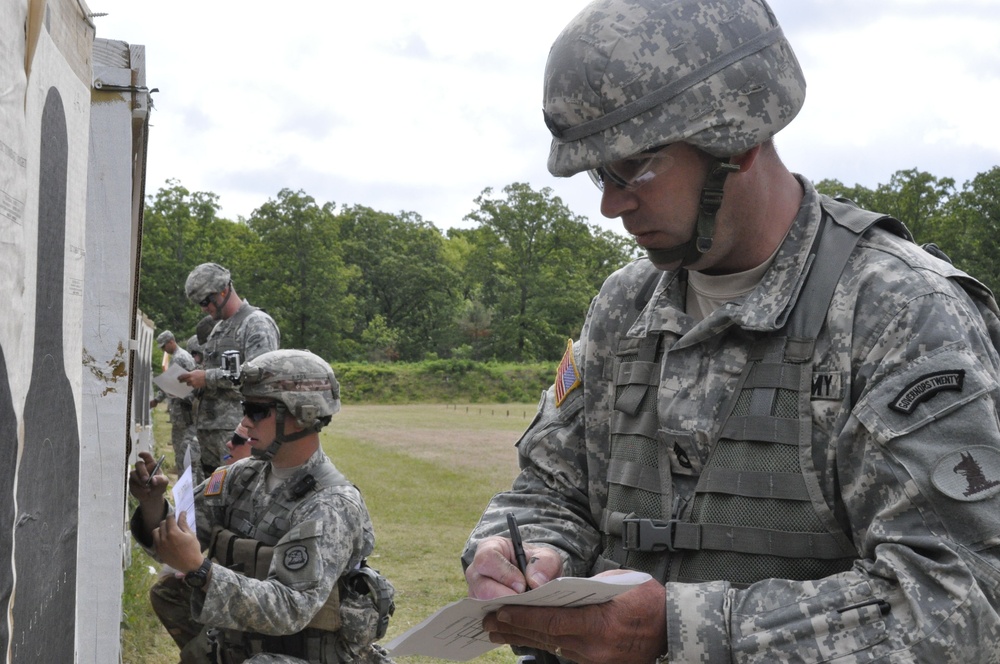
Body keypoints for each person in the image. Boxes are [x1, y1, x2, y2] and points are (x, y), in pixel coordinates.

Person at [461, 1, 1000, 662]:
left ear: (737, 135)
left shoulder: (898, 309)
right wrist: (523, 550)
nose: (610, 202)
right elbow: (550, 492)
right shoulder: (625, 305)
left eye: (636, 165)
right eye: (601, 174)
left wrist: (682, 629)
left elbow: (960, 602)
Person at [130, 349, 396, 663]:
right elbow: (176, 541)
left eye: (256, 411)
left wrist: (201, 571)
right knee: (170, 591)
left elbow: (291, 608)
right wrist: (151, 503)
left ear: (302, 415)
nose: (244, 421)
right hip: (249, 649)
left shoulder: (332, 506)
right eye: (245, 407)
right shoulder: (239, 478)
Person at [179, 263, 280, 480]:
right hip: (209, 433)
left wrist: (207, 378)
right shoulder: (219, 328)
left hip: (239, 434)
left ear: (223, 290)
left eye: (206, 302)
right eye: (199, 304)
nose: (204, 308)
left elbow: (261, 375)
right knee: (212, 497)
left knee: (240, 492)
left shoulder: (256, 324)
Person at [150, 330, 199, 474]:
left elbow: (172, 384)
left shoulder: (178, 358)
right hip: (185, 408)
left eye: (164, 346)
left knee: (182, 449)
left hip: (183, 409)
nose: (164, 350)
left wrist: (157, 399)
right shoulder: (184, 356)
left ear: (171, 342)